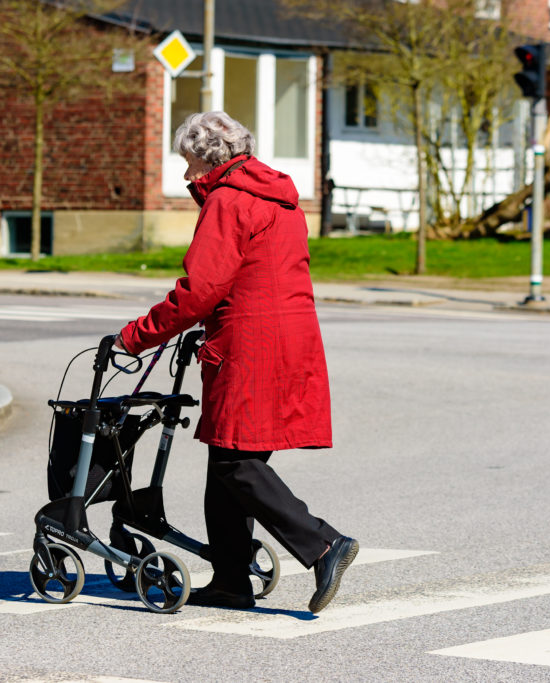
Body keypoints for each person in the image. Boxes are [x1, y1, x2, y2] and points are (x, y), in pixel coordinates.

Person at [115, 111, 357, 612]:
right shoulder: (279, 196)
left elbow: (201, 289)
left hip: (251, 345)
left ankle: (322, 543)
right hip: (290, 338)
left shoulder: (228, 201)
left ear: (209, 158)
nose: (186, 176)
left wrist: (136, 337)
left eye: (188, 162)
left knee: (235, 463)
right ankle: (230, 580)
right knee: (224, 462)